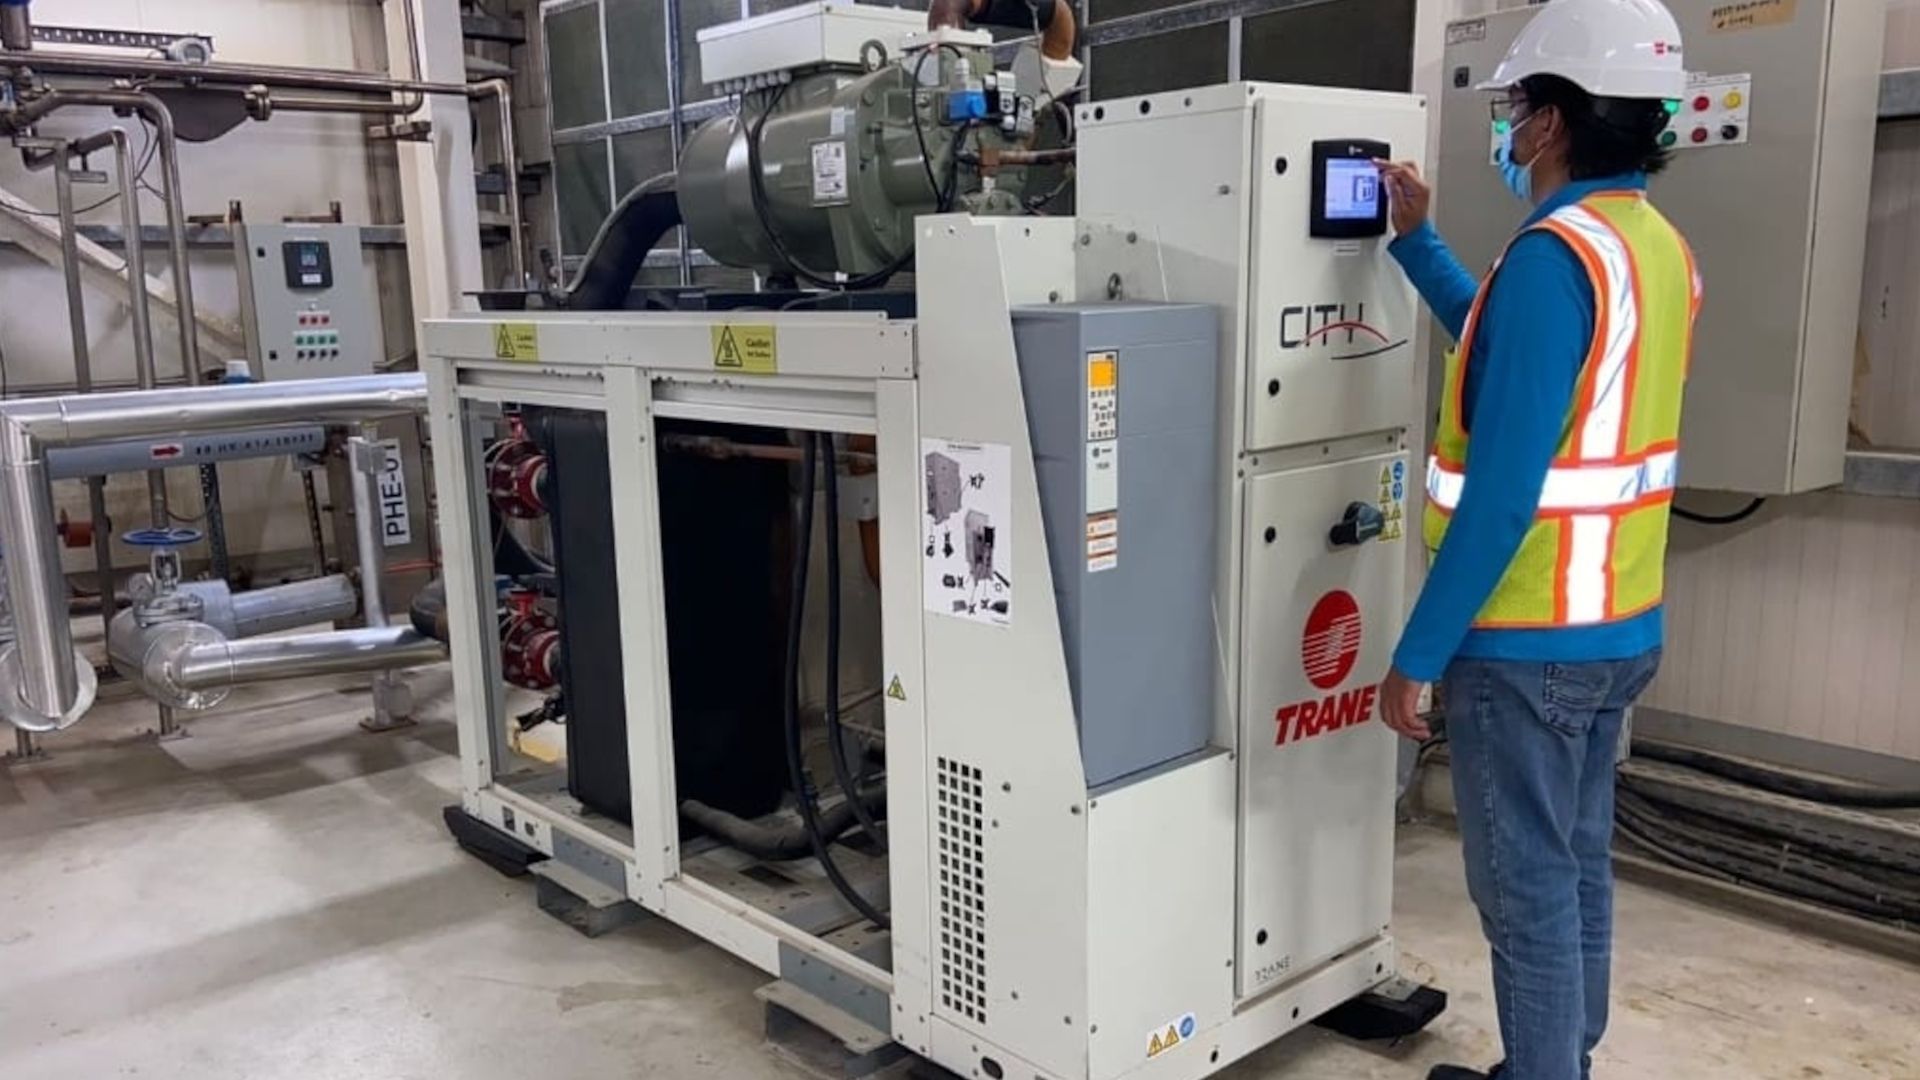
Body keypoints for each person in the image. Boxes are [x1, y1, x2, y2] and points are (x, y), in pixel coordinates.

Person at [1372, 2, 1700, 1078]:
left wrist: (1417, 657)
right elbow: (1508, 355)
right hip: (1618, 627)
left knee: (1525, 895)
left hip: (1528, 639)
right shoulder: (1648, 248)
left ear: (1555, 122)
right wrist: (1417, 244)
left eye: (1517, 107)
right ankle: (1563, 1061)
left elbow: (1505, 494)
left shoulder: (1558, 257)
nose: (1508, 129)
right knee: (1573, 868)